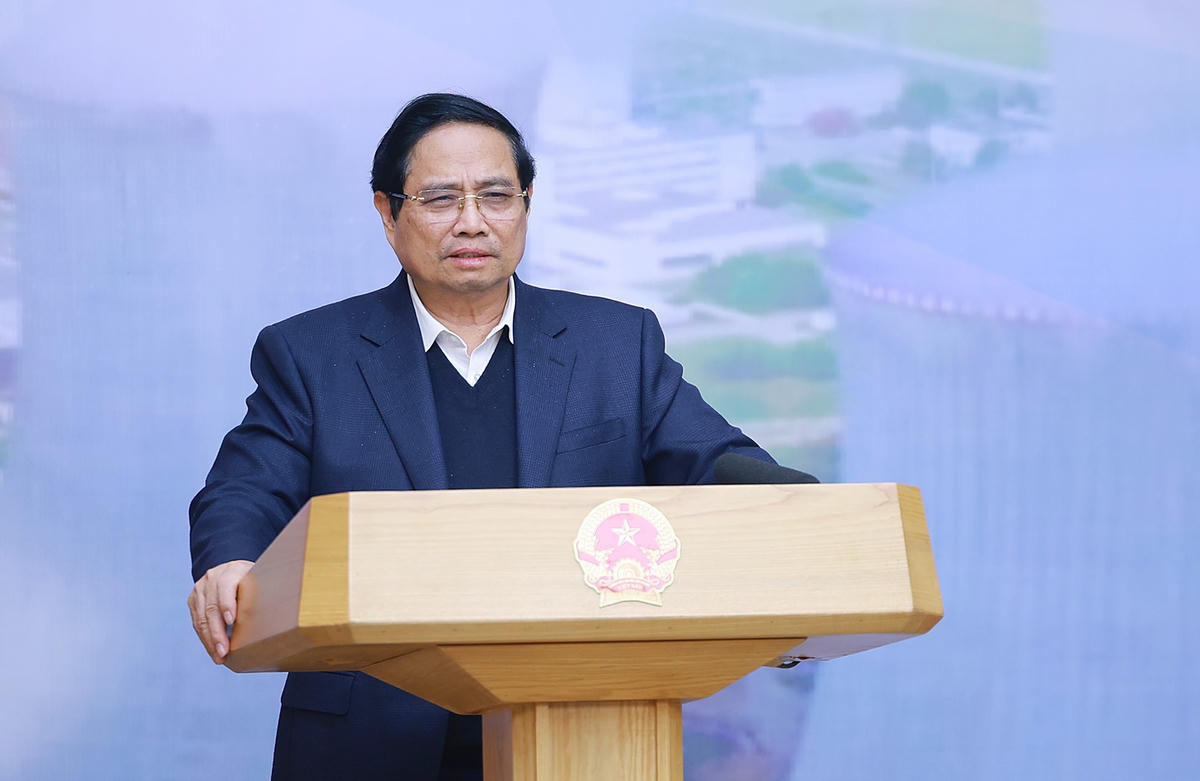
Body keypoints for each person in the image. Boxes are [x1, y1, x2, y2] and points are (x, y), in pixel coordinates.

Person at [187, 93, 774, 780]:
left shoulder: (616, 344)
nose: (472, 221)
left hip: (577, 725)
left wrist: (798, 509)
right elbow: (244, 488)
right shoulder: (312, 354)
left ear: (526, 204)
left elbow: (716, 462)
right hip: (370, 735)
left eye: (496, 196)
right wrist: (230, 559)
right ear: (387, 213)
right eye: (441, 199)